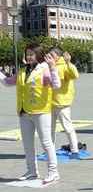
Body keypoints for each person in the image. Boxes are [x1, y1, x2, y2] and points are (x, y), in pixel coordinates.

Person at [0, 43, 61, 184]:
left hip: (41, 112)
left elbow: (56, 85)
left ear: (39, 55)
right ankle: (32, 171)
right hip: (24, 112)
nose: (28, 56)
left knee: (47, 143)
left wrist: (52, 67)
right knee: (27, 143)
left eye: (31, 54)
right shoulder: (23, 71)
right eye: (27, 54)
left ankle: (53, 172)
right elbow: (8, 82)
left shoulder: (44, 70)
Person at [48, 47, 80, 159]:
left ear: (58, 55)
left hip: (62, 103)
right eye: (49, 55)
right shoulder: (48, 66)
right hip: (49, 103)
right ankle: (50, 150)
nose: (50, 57)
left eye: (52, 55)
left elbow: (75, 75)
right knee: (49, 129)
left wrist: (69, 63)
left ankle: (74, 150)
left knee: (67, 127)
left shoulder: (64, 66)